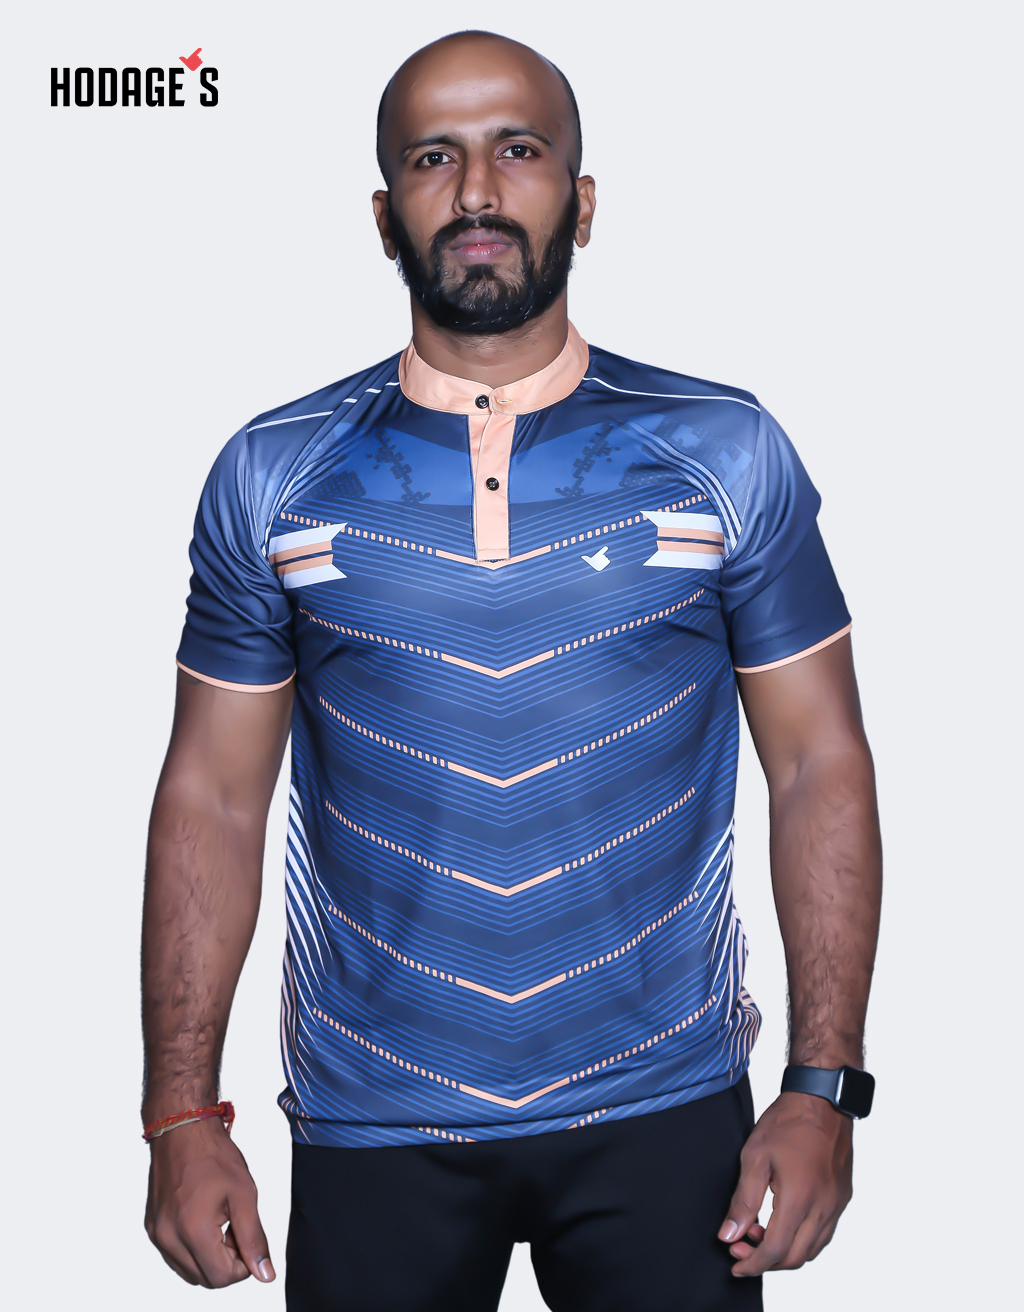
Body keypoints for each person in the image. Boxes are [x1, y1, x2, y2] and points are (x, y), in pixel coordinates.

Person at [142, 29, 881, 1312]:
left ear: (581, 203)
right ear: (384, 214)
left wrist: (822, 1088)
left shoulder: (724, 450)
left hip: (666, 1107)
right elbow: (211, 796)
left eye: (517, 150)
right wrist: (178, 1112)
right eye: (434, 158)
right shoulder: (274, 472)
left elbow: (820, 763)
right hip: (376, 1118)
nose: (477, 191)